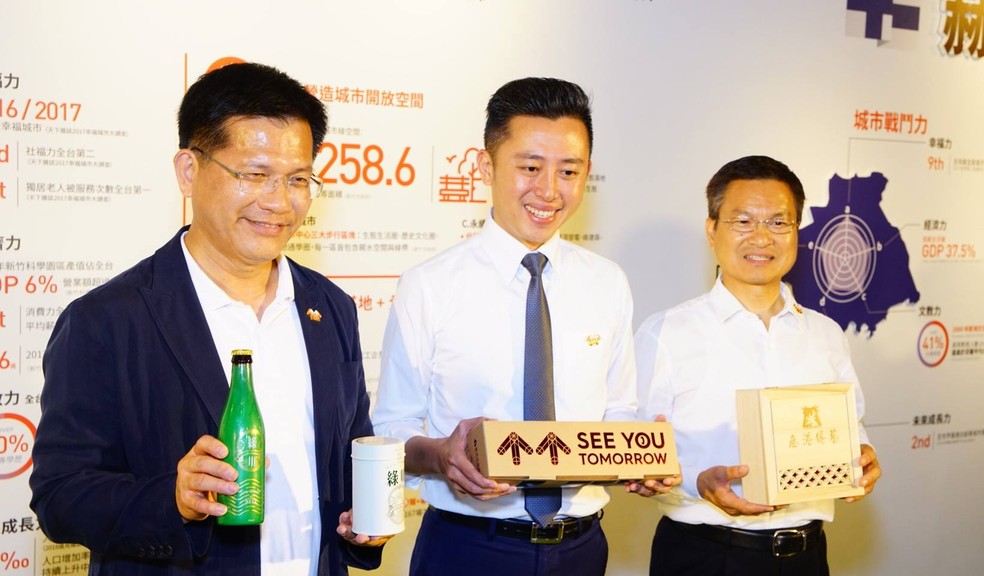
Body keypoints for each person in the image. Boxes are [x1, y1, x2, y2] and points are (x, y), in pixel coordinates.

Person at [30, 62, 386, 576]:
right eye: (254, 175)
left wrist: (364, 516)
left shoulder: (329, 308)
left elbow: (350, 456)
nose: (279, 202)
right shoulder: (107, 321)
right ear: (188, 171)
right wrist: (172, 498)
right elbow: (61, 496)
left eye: (297, 179)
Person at [372, 77, 671, 576]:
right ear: (486, 166)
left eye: (568, 171)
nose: (548, 191)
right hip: (466, 549)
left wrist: (641, 456)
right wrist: (442, 455)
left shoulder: (607, 282)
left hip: (581, 549)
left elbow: (618, 409)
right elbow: (391, 429)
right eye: (530, 167)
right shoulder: (429, 285)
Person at [635, 155, 882, 575]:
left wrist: (862, 457)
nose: (762, 237)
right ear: (712, 230)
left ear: (797, 232)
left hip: (807, 555)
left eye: (778, 222)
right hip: (705, 555)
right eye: (743, 221)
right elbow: (636, 454)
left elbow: (850, 428)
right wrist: (697, 481)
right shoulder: (667, 333)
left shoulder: (826, 334)